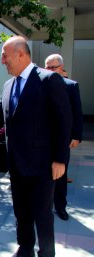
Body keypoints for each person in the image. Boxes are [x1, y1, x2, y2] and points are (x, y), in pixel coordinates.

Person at [0, 36, 72, 257]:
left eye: (5, 55)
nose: (2, 60)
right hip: (16, 163)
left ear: (20, 54)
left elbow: (64, 121)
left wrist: (60, 159)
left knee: (42, 214)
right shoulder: (8, 86)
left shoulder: (49, 80)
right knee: (21, 212)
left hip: (42, 164)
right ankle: (25, 251)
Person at [45, 54, 83, 220]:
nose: (51, 70)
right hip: (43, 139)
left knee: (60, 175)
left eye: (54, 67)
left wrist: (76, 135)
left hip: (62, 140)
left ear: (61, 67)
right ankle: (43, 205)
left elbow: (77, 112)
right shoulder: (40, 85)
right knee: (44, 174)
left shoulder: (71, 86)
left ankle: (60, 207)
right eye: (48, 67)